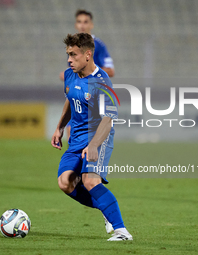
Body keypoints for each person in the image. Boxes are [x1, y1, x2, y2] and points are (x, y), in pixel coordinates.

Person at [51, 33, 132, 241]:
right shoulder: (70, 75)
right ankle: (105, 208)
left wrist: (95, 145)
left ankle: (122, 231)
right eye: (68, 54)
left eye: (73, 55)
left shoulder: (102, 81)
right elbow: (70, 99)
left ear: (87, 55)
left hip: (99, 136)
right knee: (65, 182)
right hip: (76, 139)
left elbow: (108, 118)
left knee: (90, 180)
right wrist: (60, 127)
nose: (69, 59)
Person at [61, 9, 115, 141]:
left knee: (88, 141)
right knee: (71, 136)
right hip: (76, 96)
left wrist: (89, 73)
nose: (82, 25)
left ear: (91, 25)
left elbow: (111, 70)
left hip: (92, 98)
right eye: (79, 22)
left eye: (86, 22)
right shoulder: (73, 47)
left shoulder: (98, 45)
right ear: (75, 25)